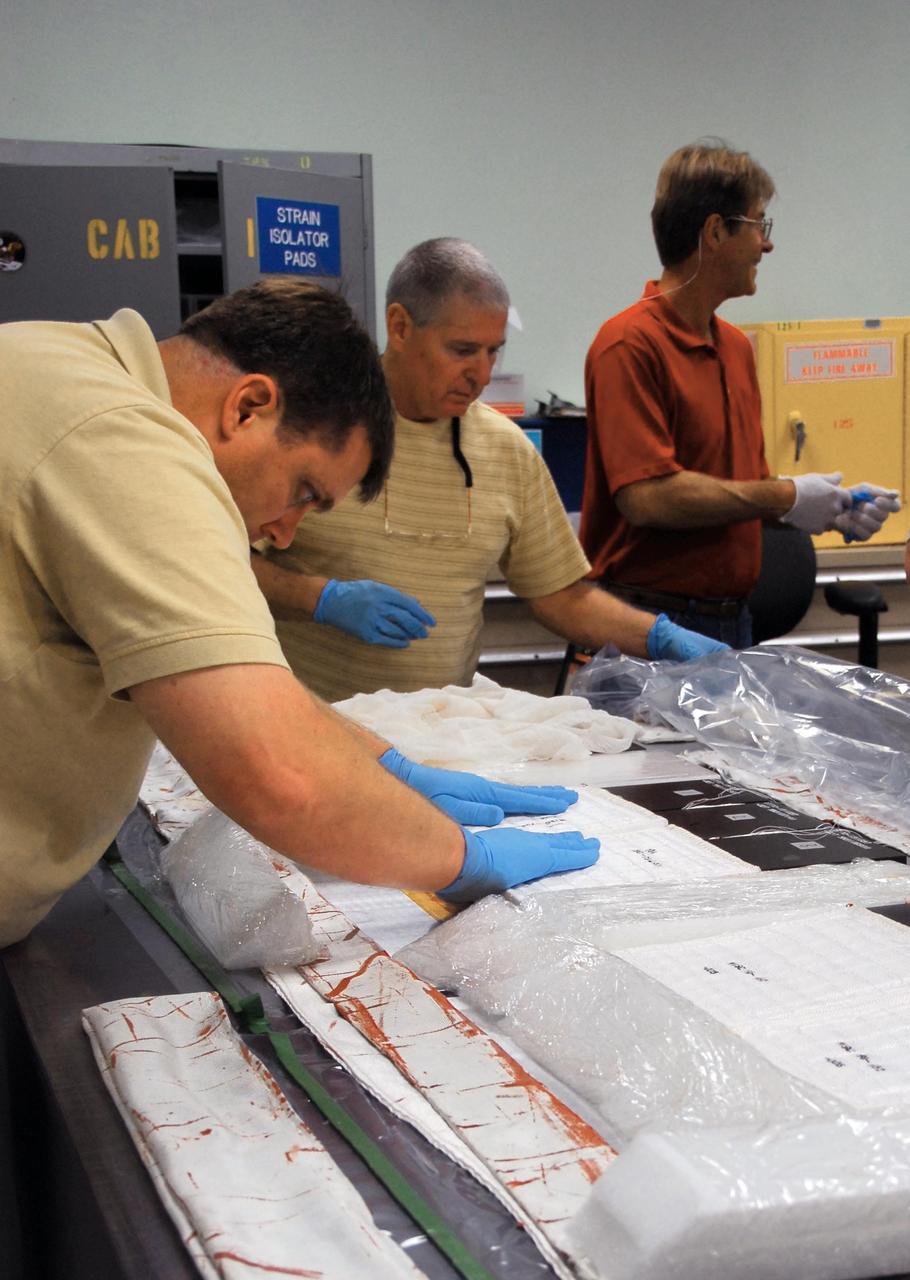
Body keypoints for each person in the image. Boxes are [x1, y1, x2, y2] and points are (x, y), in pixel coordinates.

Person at [0, 279, 601, 948]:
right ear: (249, 406)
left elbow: (241, 692)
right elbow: (276, 773)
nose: (284, 534)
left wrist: (390, 770)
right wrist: (462, 859)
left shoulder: (56, 364)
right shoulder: (125, 439)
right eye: (303, 491)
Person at [253, 238, 723, 704]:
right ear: (399, 326)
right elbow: (221, 564)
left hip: (439, 737)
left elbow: (562, 597)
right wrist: (319, 598)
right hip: (302, 724)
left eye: (493, 351)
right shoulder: (313, 430)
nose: (480, 373)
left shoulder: (505, 451)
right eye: (462, 350)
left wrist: (659, 637)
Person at [579, 139, 900, 647]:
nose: (766, 245)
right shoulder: (627, 344)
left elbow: (738, 490)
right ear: (714, 231)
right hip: (646, 627)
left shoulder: (734, 347)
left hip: (732, 623)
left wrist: (823, 507)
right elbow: (646, 498)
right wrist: (786, 495)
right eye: (758, 225)